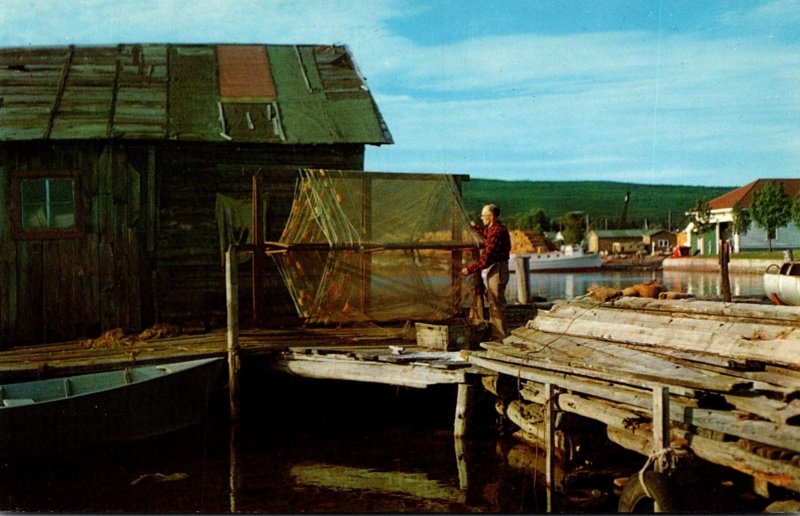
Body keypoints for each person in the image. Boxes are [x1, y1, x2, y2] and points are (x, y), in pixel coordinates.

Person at [461, 204, 511, 339]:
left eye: (483, 216)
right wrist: (475, 225)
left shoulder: (497, 232)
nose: (482, 218)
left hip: (498, 269)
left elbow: (485, 259)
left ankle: (500, 337)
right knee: (494, 301)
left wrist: (469, 269)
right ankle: (499, 335)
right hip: (497, 268)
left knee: (496, 303)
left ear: (491, 217)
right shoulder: (494, 229)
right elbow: (485, 233)